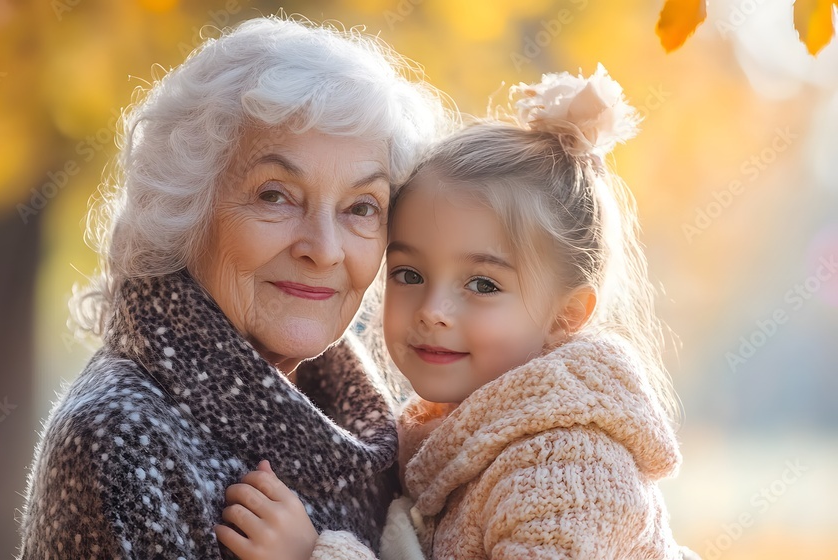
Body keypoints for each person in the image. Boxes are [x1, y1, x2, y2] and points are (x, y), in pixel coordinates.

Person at [217, 65, 700, 560]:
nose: (433, 311)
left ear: (565, 316)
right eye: (409, 274)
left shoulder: (571, 470)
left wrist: (310, 555)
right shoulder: (438, 437)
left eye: (483, 284)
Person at [17, 16, 453, 559]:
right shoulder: (121, 438)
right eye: (275, 195)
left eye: (361, 207)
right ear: (189, 208)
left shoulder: (384, 434)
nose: (324, 248)